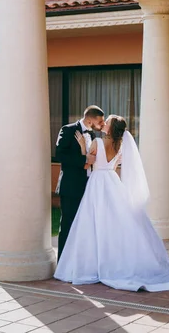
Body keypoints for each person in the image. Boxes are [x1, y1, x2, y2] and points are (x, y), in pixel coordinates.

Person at [54, 115, 169, 292]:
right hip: (112, 181)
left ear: (110, 128)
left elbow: (88, 165)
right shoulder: (121, 146)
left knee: (95, 223)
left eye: (107, 122)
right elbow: (114, 166)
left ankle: (97, 262)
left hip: (97, 183)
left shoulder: (98, 143)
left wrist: (81, 148)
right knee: (117, 222)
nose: (104, 124)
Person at [55, 105, 105, 260]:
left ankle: (79, 262)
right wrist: (84, 159)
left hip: (89, 186)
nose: (102, 124)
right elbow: (60, 155)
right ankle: (62, 262)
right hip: (71, 186)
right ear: (90, 119)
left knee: (85, 226)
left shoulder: (92, 135)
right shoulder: (68, 130)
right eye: (100, 121)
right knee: (68, 224)